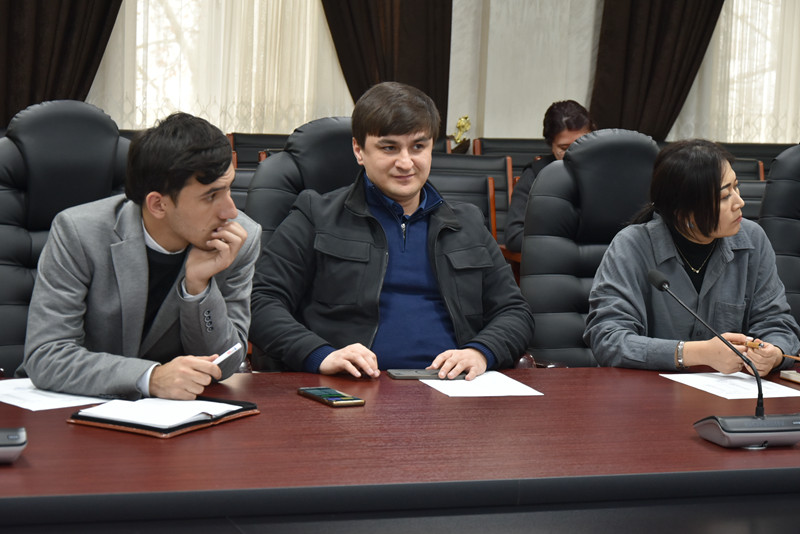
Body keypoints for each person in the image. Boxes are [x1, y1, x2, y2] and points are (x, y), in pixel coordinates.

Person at [249, 82, 534, 380]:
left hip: (454, 388)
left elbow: (515, 312)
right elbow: (261, 302)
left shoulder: (467, 223)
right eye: (389, 148)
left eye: (418, 147)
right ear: (359, 150)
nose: (406, 163)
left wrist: (481, 352)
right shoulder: (315, 215)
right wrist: (320, 355)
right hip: (353, 387)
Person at [21, 112, 261, 399]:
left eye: (229, 188)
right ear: (158, 204)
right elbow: (47, 355)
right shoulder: (79, 232)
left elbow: (227, 362)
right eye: (211, 196)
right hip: (76, 404)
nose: (230, 211)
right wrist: (151, 377)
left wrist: (198, 290)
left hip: (180, 413)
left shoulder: (238, 239)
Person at [584, 139, 800, 375]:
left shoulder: (753, 240)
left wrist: (774, 353)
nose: (740, 202)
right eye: (724, 196)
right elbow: (608, 339)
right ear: (683, 211)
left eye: (736, 187)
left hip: (730, 392)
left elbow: (776, 323)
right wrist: (696, 353)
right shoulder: (632, 246)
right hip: (649, 392)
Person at [504, 100, 596, 252]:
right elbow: (514, 236)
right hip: (557, 257)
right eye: (564, 148)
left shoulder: (608, 172)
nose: (575, 154)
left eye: (582, 144)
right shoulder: (536, 175)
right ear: (551, 145)